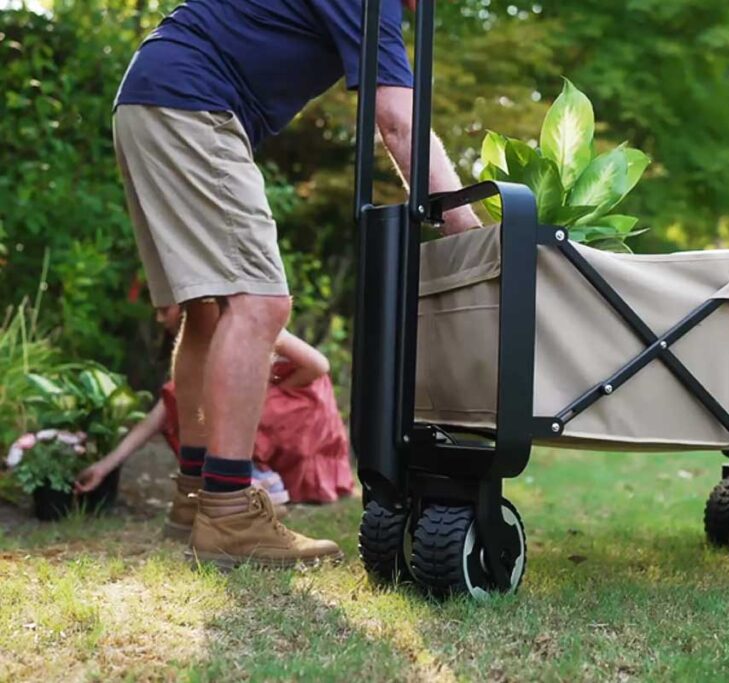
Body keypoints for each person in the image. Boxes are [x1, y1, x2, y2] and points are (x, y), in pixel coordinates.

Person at [111, 0, 478, 569]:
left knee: (207, 310)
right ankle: (229, 510)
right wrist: (472, 236)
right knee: (259, 303)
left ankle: (194, 497)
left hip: (151, 95)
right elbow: (398, 121)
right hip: (191, 102)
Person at [75, 305, 354, 538]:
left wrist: (264, 392)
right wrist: (105, 466)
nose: (159, 318)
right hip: (256, 416)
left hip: (296, 412)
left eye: (163, 309)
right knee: (181, 396)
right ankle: (242, 480)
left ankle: (252, 481)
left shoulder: (245, 318)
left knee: (222, 401)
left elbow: (319, 365)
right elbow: (154, 420)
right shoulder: (196, 358)